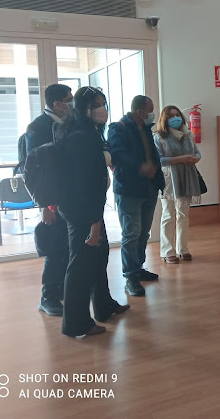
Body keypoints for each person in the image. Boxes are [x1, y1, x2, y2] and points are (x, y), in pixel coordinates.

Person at [56, 86, 129, 337]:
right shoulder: (82, 138)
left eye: (103, 103)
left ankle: (103, 307)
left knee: (96, 260)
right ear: (82, 108)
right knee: (81, 267)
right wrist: (95, 223)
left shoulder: (85, 132)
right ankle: (76, 323)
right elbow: (88, 184)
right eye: (96, 105)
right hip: (83, 212)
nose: (102, 109)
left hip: (82, 209)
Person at [108, 95, 165, 297]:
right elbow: (117, 154)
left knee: (143, 233)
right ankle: (130, 277)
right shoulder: (118, 128)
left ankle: (138, 268)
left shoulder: (146, 129)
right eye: (150, 109)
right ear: (140, 111)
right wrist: (140, 168)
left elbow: (153, 157)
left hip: (149, 189)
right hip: (129, 190)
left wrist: (158, 180)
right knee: (131, 234)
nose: (153, 113)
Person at [25, 83, 73, 316]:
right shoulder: (37, 128)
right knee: (55, 248)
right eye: (68, 99)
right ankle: (48, 296)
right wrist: (44, 206)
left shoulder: (69, 123)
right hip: (52, 197)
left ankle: (62, 289)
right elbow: (36, 171)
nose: (71, 103)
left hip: (71, 195)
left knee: (69, 246)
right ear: (57, 103)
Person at [153, 105, 202, 264]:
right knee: (168, 214)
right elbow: (159, 160)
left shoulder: (188, 135)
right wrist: (181, 159)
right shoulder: (159, 137)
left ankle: (183, 249)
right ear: (165, 119)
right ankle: (168, 251)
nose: (175, 118)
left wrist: (195, 158)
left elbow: (197, 152)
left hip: (187, 176)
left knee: (183, 214)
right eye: (171, 116)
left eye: (177, 115)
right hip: (168, 179)